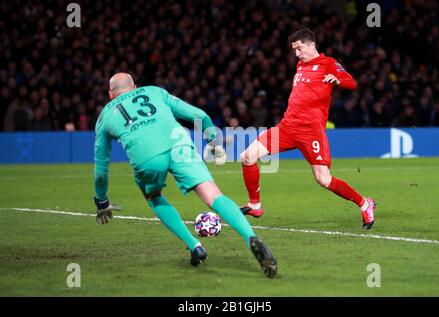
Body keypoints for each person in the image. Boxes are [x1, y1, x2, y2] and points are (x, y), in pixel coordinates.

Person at [93, 73, 277, 278]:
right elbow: (199, 115)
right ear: (135, 87)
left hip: (146, 157)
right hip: (179, 144)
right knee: (213, 195)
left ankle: (195, 246)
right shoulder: (154, 91)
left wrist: (101, 202)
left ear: (110, 94)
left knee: (154, 196)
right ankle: (251, 237)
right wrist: (213, 141)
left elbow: (101, 171)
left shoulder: (105, 116)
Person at [239, 29, 376, 229]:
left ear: (311, 44)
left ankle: (365, 204)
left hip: (311, 132)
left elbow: (351, 82)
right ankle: (255, 204)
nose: (297, 53)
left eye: (299, 48)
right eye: (294, 50)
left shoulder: (328, 63)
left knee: (323, 179)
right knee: (247, 156)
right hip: (286, 127)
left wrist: (338, 81)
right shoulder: (300, 65)